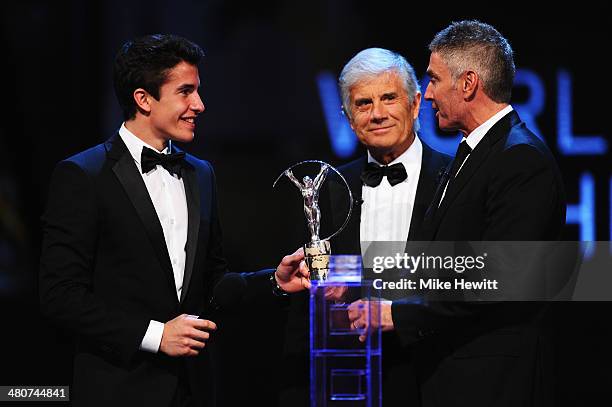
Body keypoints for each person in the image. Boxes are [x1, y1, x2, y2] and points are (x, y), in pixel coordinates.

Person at [39, 34, 309, 407]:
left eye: (197, 91)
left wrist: (274, 282)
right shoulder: (83, 175)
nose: (199, 104)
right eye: (185, 91)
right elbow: (60, 296)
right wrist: (156, 336)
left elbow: (212, 284)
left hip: (194, 389)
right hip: (118, 389)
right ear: (143, 99)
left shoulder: (201, 173)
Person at [347, 21, 566, 406]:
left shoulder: (521, 159)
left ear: (467, 84)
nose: (427, 94)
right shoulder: (476, 154)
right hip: (450, 377)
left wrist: (397, 315)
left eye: (433, 79)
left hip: (493, 382)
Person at [280, 48, 450, 406]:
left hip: (437, 373)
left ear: (416, 104)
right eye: (363, 103)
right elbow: (308, 299)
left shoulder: (453, 180)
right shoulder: (326, 188)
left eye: (389, 98)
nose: (377, 114)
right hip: (352, 379)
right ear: (347, 116)